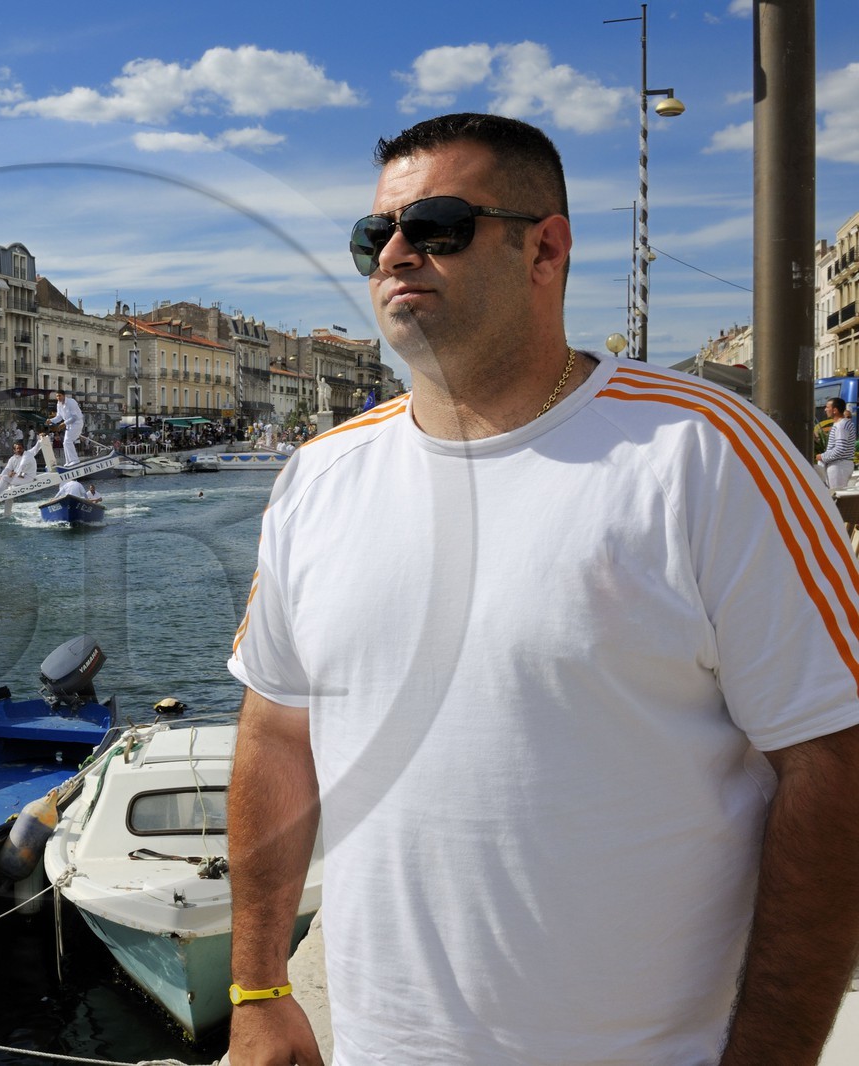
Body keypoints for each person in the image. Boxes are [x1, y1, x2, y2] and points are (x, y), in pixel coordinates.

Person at [225, 112, 859, 1066]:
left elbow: (836, 762)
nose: (396, 253)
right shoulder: (321, 477)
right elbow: (277, 732)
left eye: (437, 225)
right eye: (375, 236)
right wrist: (260, 989)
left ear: (546, 249)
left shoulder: (707, 454)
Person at [818, 397, 855, 490]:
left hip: (839, 467)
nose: (825, 409)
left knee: (835, 496)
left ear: (835, 410)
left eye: (827, 407)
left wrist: (821, 457)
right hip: (839, 465)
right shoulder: (842, 424)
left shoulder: (841, 425)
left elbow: (840, 449)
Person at [46, 387, 84, 467]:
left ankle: (75, 460)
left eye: (59, 396)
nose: (58, 398)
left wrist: (64, 423)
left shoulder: (71, 402)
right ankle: (69, 461)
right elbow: (59, 417)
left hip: (77, 423)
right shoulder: (58, 404)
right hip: (69, 425)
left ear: (64, 396)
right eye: (57, 396)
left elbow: (75, 417)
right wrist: (51, 420)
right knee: (65, 442)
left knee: (67, 441)